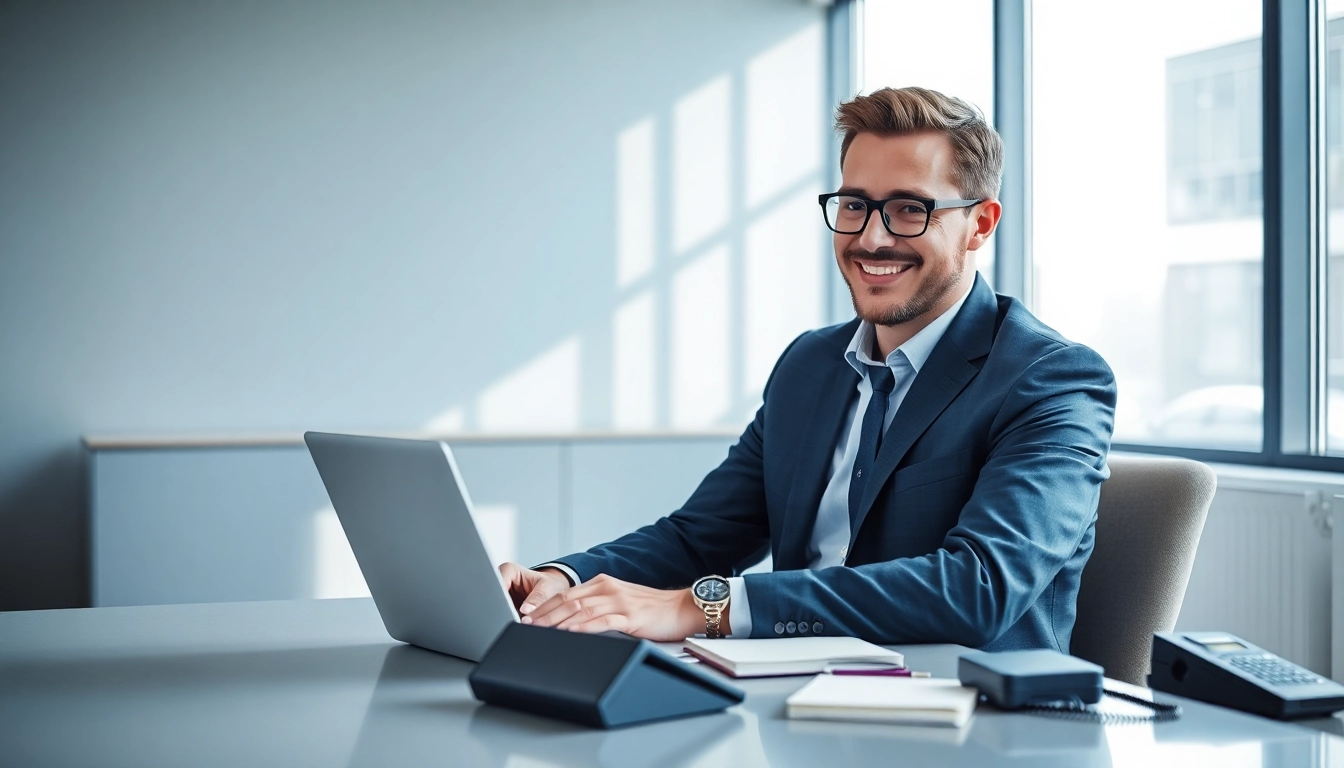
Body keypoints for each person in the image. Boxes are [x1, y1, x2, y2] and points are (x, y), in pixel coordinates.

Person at [498, 86, 1116, 652]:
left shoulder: (1051, 379)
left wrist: (703, 608)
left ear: (979, 224)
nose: (872, 239)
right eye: (854, 205)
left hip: (971, 724)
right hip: (792, 699)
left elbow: (977, 589)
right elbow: (698, 538)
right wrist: (562, 581)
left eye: (908, 209)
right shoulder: (809, 366)